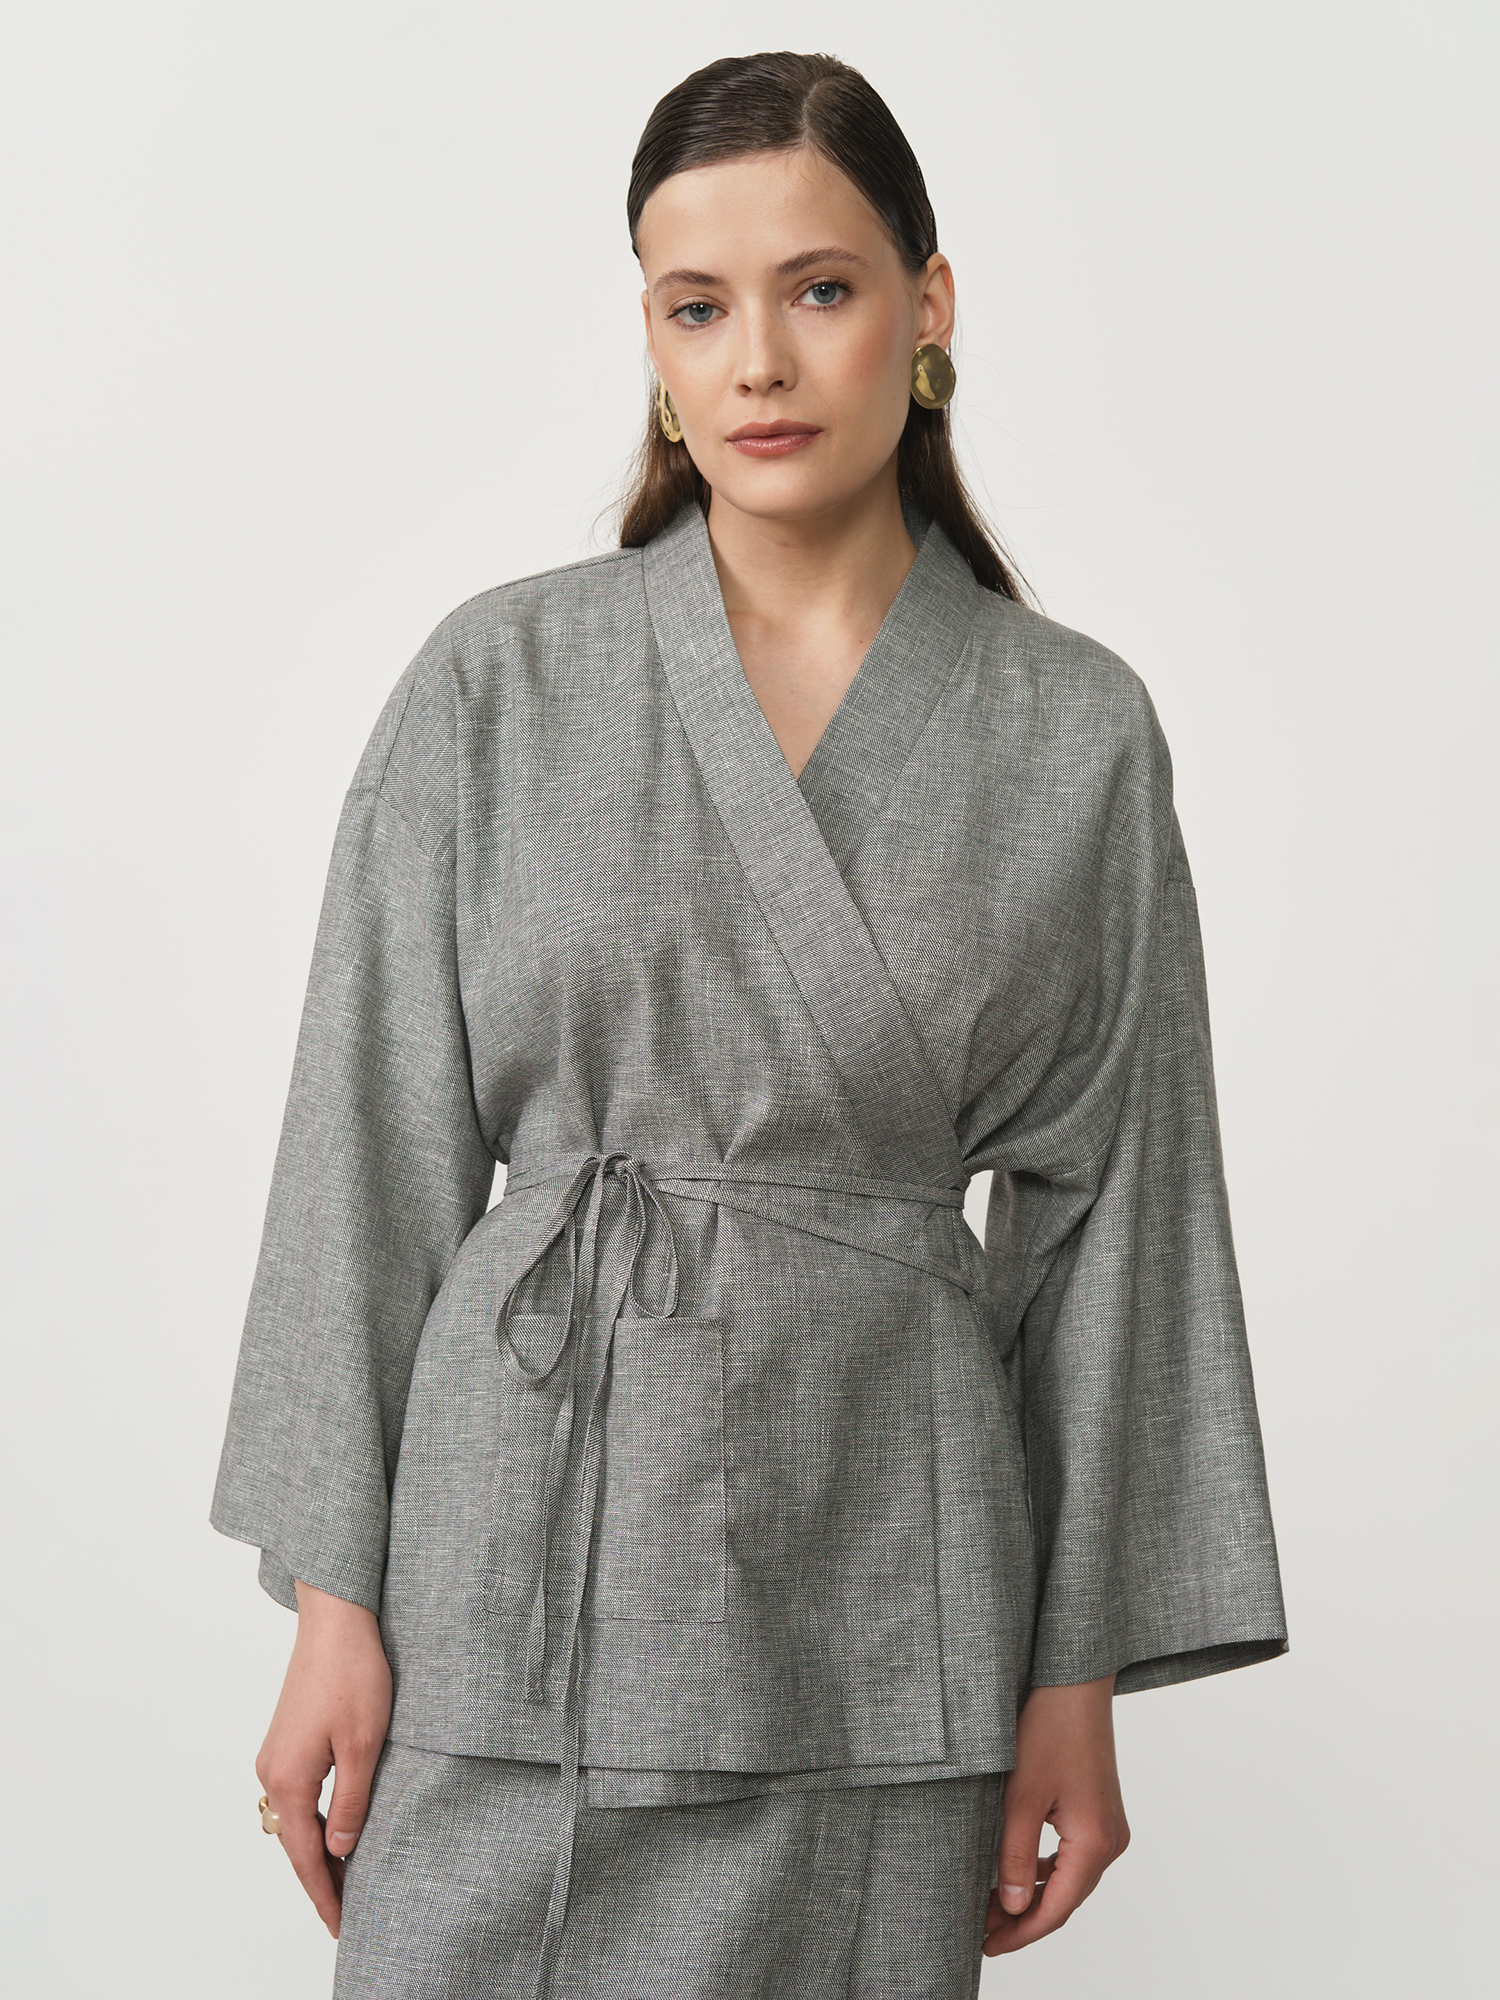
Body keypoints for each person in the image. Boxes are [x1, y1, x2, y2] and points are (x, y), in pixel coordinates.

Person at [212, 49, 1288, 2000]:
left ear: (927, 304)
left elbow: (1121, 1226)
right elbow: (364, 1148)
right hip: (509, 1574)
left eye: (821, 288)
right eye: (696, 307)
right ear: (650, 338)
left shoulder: (1073, 733)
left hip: (883, 1595)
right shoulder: (495, 682)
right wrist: (335, 1602)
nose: (759, 364)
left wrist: (1073, 1677)